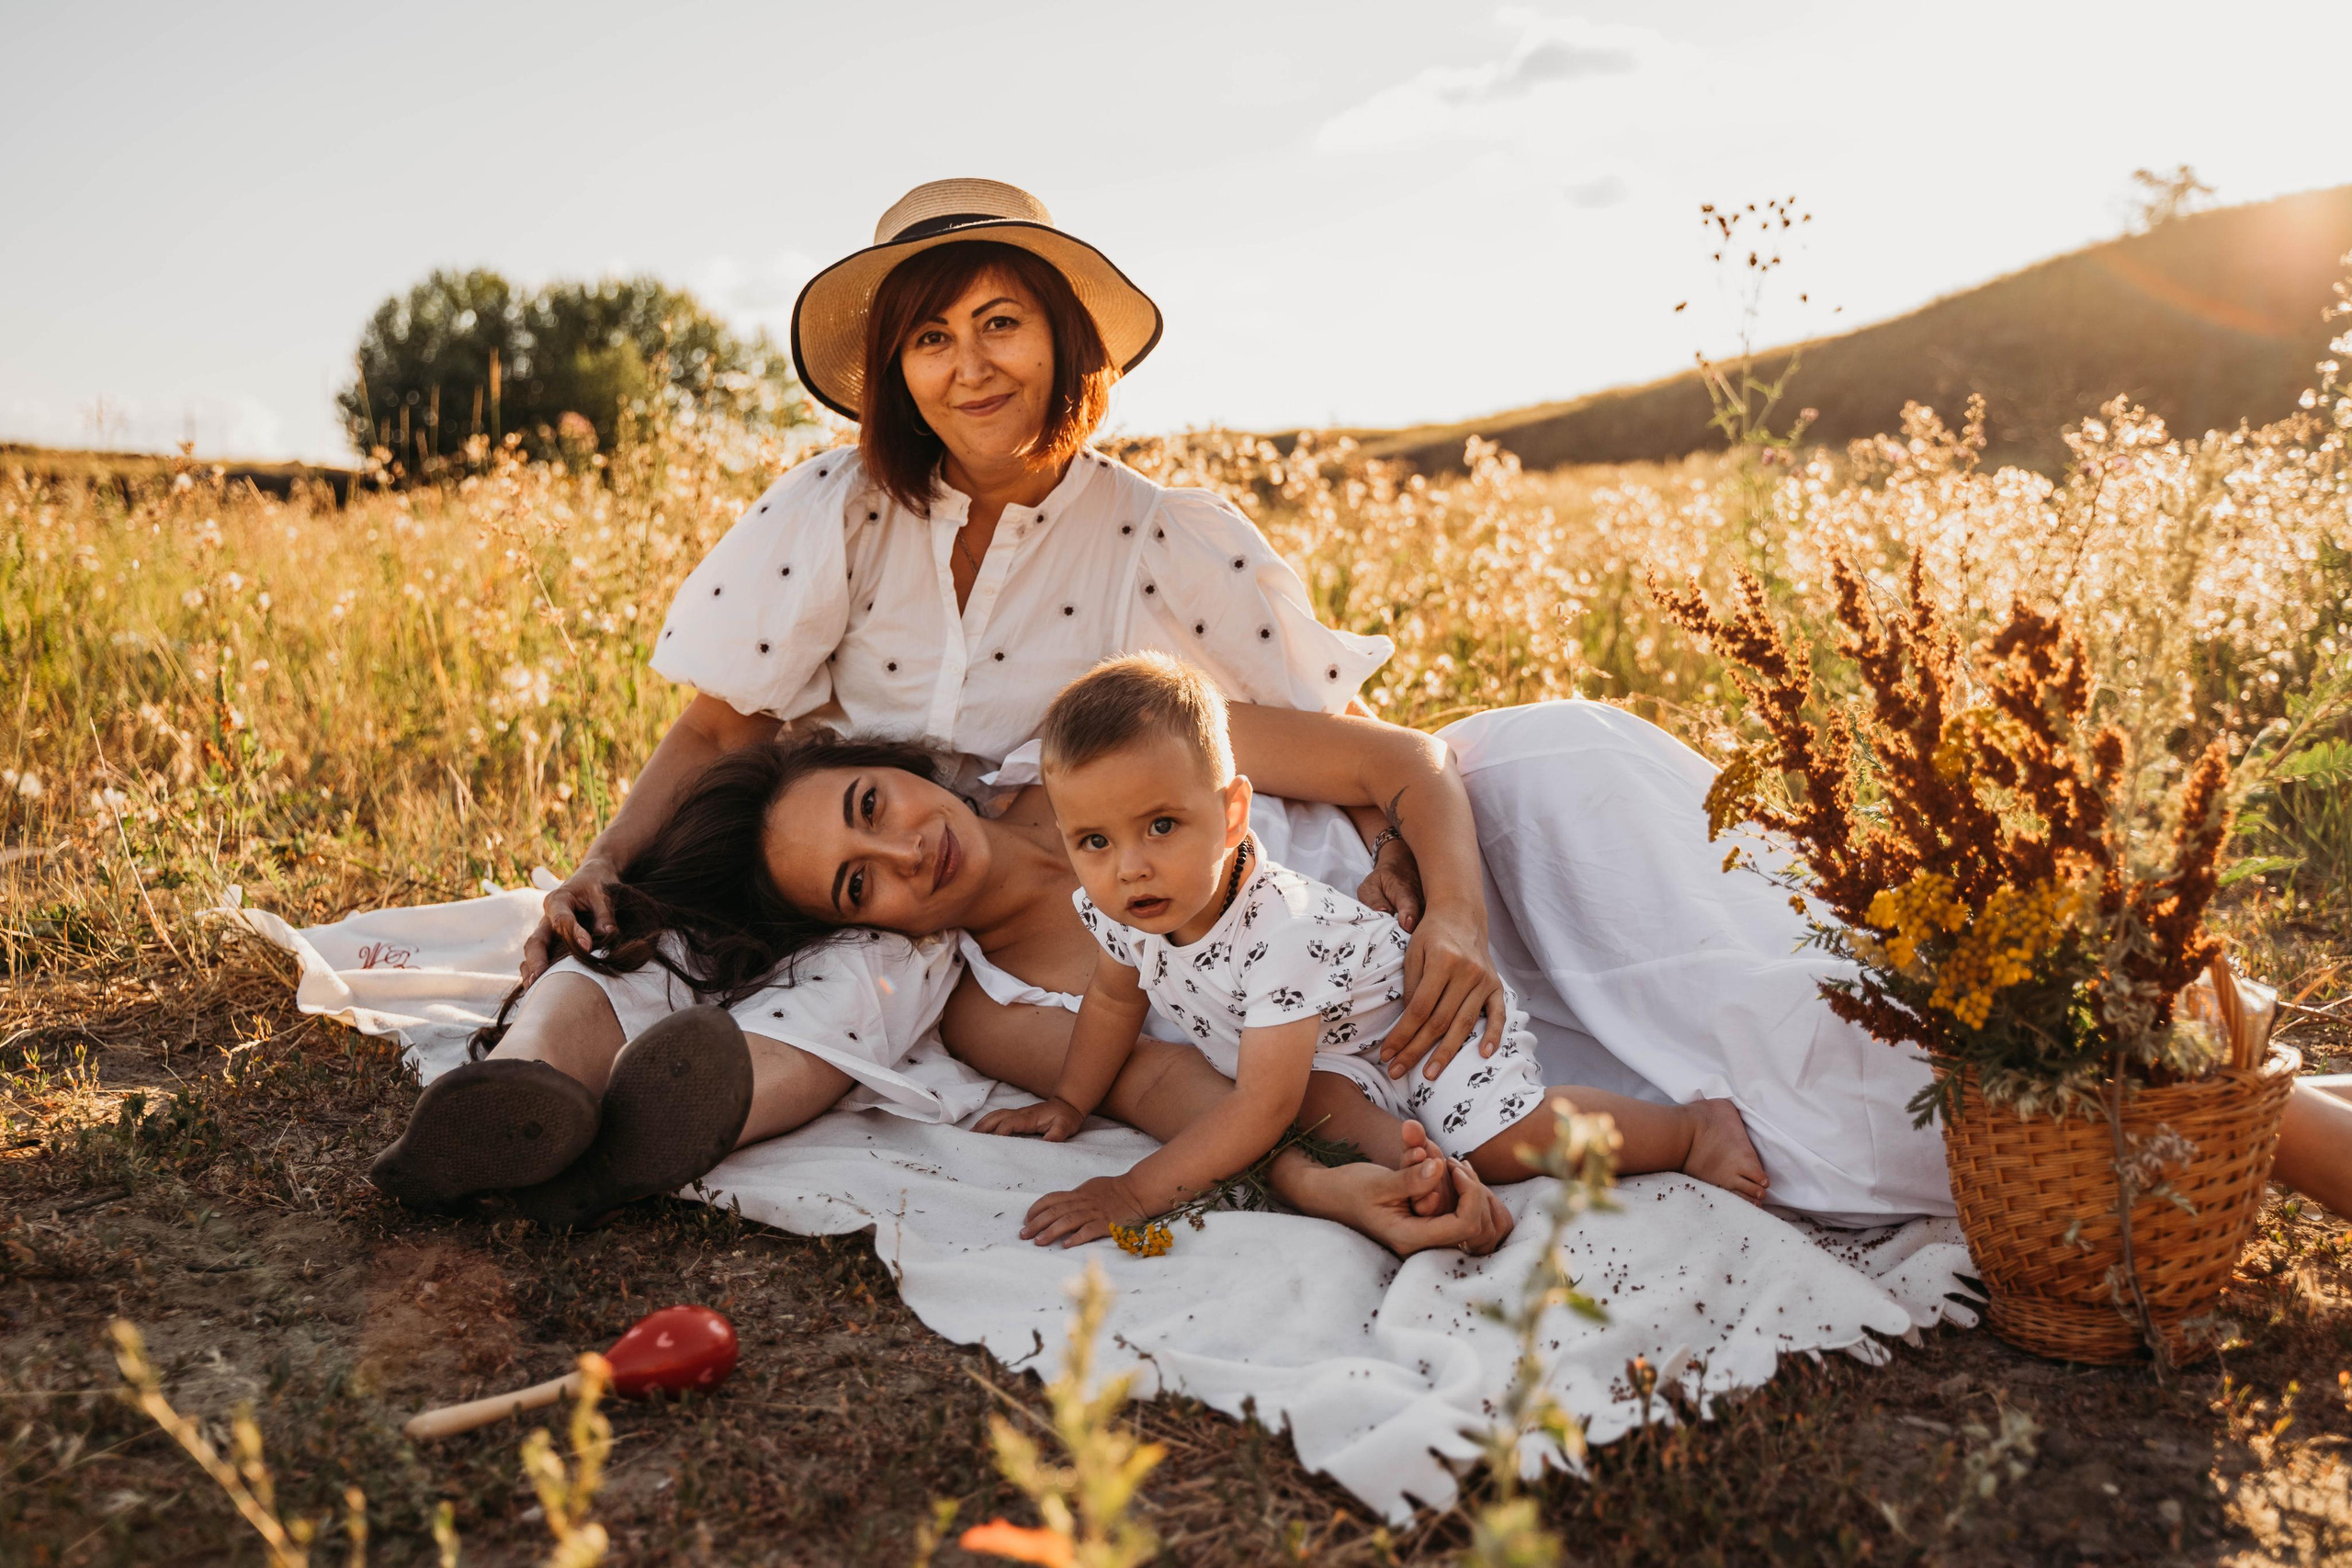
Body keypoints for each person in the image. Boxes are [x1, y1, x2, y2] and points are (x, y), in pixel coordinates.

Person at [368, 177, 1516, 1253]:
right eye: (930, 338)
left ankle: (626, 1146)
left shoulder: (1161, 534)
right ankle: (520, 1090)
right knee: (638, 936)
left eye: (1000, 323)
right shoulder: (836, 506)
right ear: (895, 371)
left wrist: (1410, 860)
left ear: (1067, 336)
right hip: (818, 825)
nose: (968, 367)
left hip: (995, 877)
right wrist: (602, 859)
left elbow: (1329, 717)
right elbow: (722, 727)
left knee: (856, 1003)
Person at [977, 655, 1768, 1248]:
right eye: (1094, 840)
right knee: (1343, 1121)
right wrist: (1070, 1102)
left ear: (1229, 814)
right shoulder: (1117, 908)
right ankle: (1431, 1185)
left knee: (1506, 1140)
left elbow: (1261, 1106)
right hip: (1327, 1051)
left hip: (1416, 1016)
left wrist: (1132, 1192)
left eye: (1160, 825)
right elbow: (1115, 1002)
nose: (1130, 866)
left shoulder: (1276, 933)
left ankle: (1688, 1131)